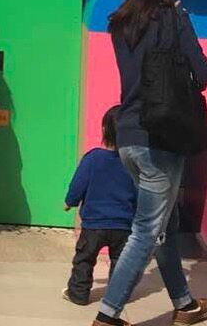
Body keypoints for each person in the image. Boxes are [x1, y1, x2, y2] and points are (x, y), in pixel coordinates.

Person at [95, 0, 207, 326]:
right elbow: (203, 73)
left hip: (128, 136)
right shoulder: (173, 20)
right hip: (161, 139)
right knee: (146, 231)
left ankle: (184, 305)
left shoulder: (119, 24)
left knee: (166, 224)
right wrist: (181, 22)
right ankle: (107, 317)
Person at [63, 106, 136, 306]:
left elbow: (79, 183)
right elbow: (139, 191)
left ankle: (78, 294)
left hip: (94, 224)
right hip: (123, 225)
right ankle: (116, 297)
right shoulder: (133, 163)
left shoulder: (93, 158)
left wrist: (70, 201)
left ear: (104, 130)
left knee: (84, 260)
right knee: (120, 263)